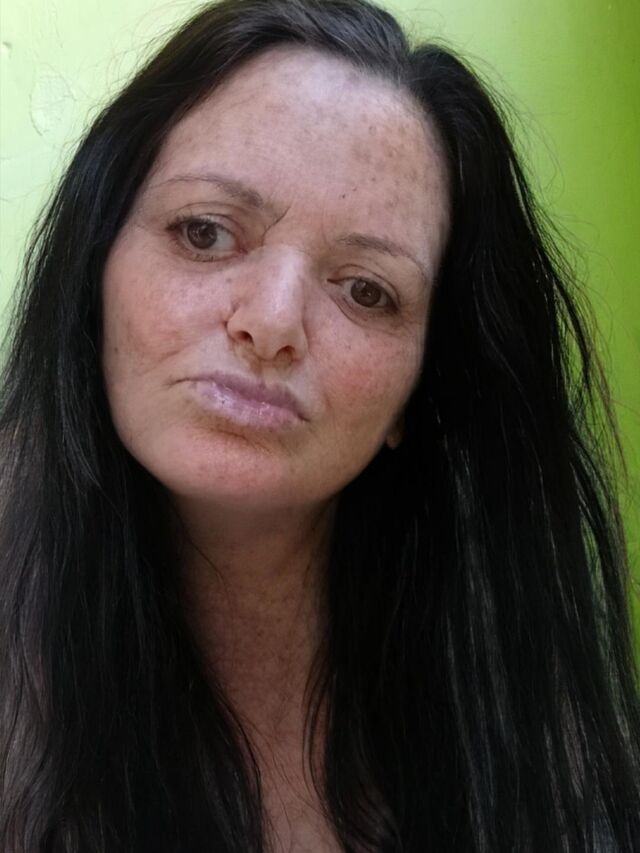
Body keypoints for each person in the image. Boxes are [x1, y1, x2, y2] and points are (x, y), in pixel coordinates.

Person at [1, 0, 639, 850]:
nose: (271, 323)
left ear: (419, 386)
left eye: (366, 290)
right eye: (205, 232)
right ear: (96, 262)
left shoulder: (502, 684)